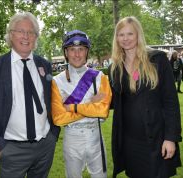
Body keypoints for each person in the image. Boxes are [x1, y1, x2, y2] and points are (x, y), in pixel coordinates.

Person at [0, 12, 60, 178]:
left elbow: (52, 101)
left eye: (31, 32)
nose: (26, 36)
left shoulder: (44, 65)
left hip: (45, 146)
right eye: (21, 31)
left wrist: (53, 135)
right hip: (12, 150)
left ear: (36, 37)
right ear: (11, 34)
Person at [108, 16, 182, 178]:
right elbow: (118, 102)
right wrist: (100, 99)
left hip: (157, 137)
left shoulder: (157, 59)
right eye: (121, 34)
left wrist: (171, 137)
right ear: (116, 38)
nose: (125, 39)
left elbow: (170, 101)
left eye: (130, 34)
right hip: (131, 140)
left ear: (138, 35)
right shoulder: (114, 68)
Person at [51, 30, 112, 178]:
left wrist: (72, 107)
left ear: (87, 52)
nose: (77, 54)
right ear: (66, 52)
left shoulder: (100, 77)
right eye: (72, 50)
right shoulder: (57, 81)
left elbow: (103, 111)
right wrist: (92, 106)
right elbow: (59, 118)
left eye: (81, 50)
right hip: (72, 138)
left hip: (95, 136)